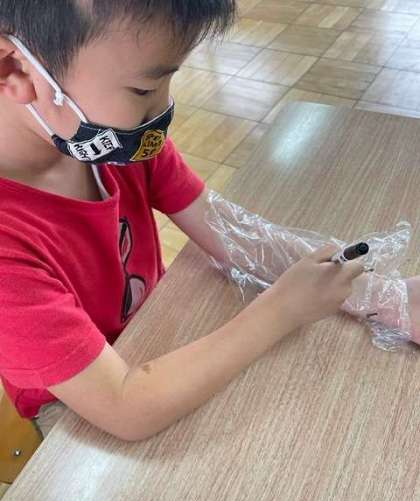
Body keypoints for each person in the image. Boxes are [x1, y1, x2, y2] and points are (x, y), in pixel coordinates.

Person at [0, 1, 417, 442]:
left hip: (153, 331)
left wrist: (389, 298)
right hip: (77, 410)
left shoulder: (111, 142)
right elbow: (125, 408)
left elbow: (226, 229)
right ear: (16, 69)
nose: (161, 109)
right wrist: (283, 309)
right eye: (143, 90)